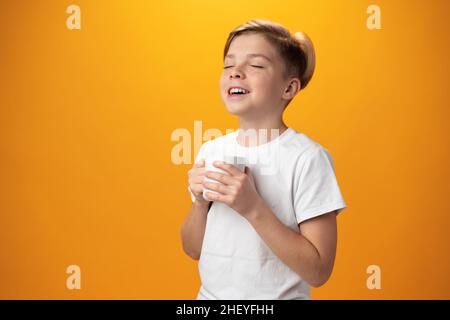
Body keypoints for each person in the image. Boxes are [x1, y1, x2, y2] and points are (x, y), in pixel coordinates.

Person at [180, 19, 347, 300]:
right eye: (228, 65)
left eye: (255, 65)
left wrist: (253, 207)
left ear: (288, 89)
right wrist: (199, 203)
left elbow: (319, 270)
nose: (236, 73)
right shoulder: (211, 151)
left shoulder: (307, 159)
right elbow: (193, 250)